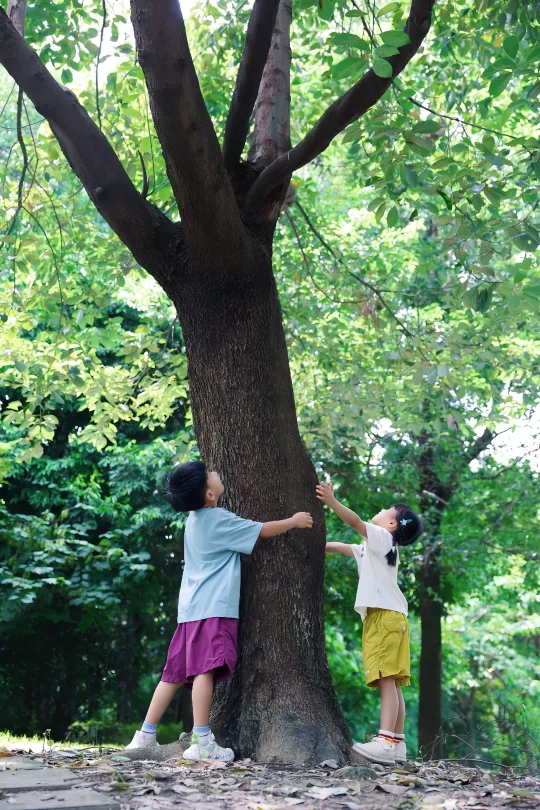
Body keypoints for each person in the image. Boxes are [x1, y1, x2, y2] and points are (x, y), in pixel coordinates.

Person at [126, 461, 313, 761]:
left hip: (189, 610)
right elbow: (262, 531)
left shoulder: (194, 519)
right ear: (210, 494)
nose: (216, 472)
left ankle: (144, 736)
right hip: (212, 608)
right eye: (210, 475)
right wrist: (293, 521)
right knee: (204, 671)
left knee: (172, 675)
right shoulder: (218, 520)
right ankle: (202, 741)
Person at [316, 481, 422, 765]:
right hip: (392, 618)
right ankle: (397, 743)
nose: (382, 509)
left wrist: (332, 501)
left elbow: (355, 522)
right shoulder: (375, 548)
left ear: (391, 523)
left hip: (383, 618)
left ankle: (385, 741)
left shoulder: (384, 539)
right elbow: (341, 547)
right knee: (394, 683)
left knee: (387, 680)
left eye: (388, 509)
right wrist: (309, 542)